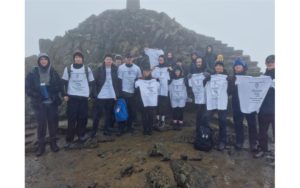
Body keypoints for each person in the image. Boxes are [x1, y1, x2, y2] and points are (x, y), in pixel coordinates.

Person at [25, 53, 62, 156]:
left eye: (45, 59)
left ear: (48, 61)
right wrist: (37, 95)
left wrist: (53, 93)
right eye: (41, 59)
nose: (43, 61)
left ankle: (53, 144)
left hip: (52, 103)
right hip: (39, 104)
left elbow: (59, 85)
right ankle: (41, 147)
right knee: (41, 125)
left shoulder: (53, 72)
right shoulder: (32, 73)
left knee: (52, 124)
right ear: (39, 61)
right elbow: (27, 88)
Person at [62, 50, 95, 149]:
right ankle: (69, 139)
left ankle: (81, 135)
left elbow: (92, 83)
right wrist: (64, 94)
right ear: (74, 59)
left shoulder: (87, 69)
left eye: (79, 57)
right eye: (76, 57)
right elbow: (63, 82)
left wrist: (90, 94)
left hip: (84, 97)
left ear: (82, 59)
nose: (78, 59)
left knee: (83, 118)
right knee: (72, 119)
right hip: (72, 97)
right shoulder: (68, 68)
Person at [228, 58, 258, 151]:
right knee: (238, 124)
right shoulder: (232, 79)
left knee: (252, 124)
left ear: (243, 68)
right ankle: (239, 141)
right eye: (236, 67)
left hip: (248, 104)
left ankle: (253, 143)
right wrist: (230, 82)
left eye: (239, 66)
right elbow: (229, 92)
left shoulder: (250, 79)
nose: (237, 68)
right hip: (237, 104)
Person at [91, 54, 121, 137]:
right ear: (104, 60)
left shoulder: (115, 69)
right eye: (107, 59)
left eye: (110, 59)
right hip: (100, 95)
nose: (109, 61)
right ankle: (93, 131)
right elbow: (93, 82)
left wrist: (116, 94)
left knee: (108, 114)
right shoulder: (99, 69)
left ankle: (107, 129)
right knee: (97, 114)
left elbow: (117, 83)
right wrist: (95, 94)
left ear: (112, 61)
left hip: (111, 95)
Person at [203, 60, 229, 151]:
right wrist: (206, 79)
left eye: (220, 66)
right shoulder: (211, 77)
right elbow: (204, 85)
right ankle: (207, 137)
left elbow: (230, 91)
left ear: (223, 68)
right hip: (212, 102)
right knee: (205, 118)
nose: (218, 67)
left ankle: (222, 141)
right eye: (217, 66)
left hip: (221, 102)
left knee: (222, 121)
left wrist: (231, 82)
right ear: (215, 67)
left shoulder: (227, 77)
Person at [254, 55, 275, 158]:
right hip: (264, 109)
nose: (270, 63)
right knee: (262, 131)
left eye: (272, 61)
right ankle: (263, 149)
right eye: (268, 62)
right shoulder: (262, 77)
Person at [118, 53, 142, 133]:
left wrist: (137, 93)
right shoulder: (121, 68)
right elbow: (119, 81)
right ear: (125, 59)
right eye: (127, 58)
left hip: (133, 93)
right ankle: (122, 127)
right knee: (123, 110)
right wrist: (120, 93)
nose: (129, 59)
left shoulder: (137, 68)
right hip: (124, 92)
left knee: (132, 111)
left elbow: (139, 80)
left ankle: (130, 126)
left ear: (132, 59)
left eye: (130, 58)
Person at [135, 64, 160, 135]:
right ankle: (145, 129)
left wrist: (157, 80)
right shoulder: (139, 80)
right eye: (145, 72)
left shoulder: (154, 80)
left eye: (148, 71)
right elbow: (136, 89)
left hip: (151, 101)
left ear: (150, 72)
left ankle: (150, 129)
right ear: (143, 72)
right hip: (143, 101)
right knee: (144, 116)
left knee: (151, 115)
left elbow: (158, 87)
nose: (146, 73)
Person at [187, 57, 210, 132]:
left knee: (205, 116)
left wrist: (209, 76)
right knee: (198, 115)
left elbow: (214, 76)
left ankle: (204, 131)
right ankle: (198, 132)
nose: (198, 63)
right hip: (197, 98)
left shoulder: (207, 70)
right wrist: (187, 78)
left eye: (200, 62)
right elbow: (188, 85)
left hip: (206, 98)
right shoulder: (193, 71)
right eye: (197, 62)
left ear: (202, 62)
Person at [152, 55, 172, 128]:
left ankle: (163, 120)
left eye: (161, 60)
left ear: (164, 60)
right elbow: (152, 76)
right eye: (159, 60)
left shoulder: (167, 68)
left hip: (164, 90)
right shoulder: (156, 68)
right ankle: (157, 120)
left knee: (163, 105)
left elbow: (170, 78)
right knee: (157, 104)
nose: (160, 61)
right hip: (157, 90)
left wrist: (165, 83)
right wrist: (156, 79)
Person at [168, 66, 188, 130]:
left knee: (180, 110)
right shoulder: (172, 79)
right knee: (174, 110)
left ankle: (180, 123)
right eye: (176, 71)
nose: (177, 72)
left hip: (181, 98)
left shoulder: (184, 79)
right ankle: (175, 123)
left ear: (180, 72)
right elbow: (169, 88)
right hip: (174, 98)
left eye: (178, 71)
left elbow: (188, 86)